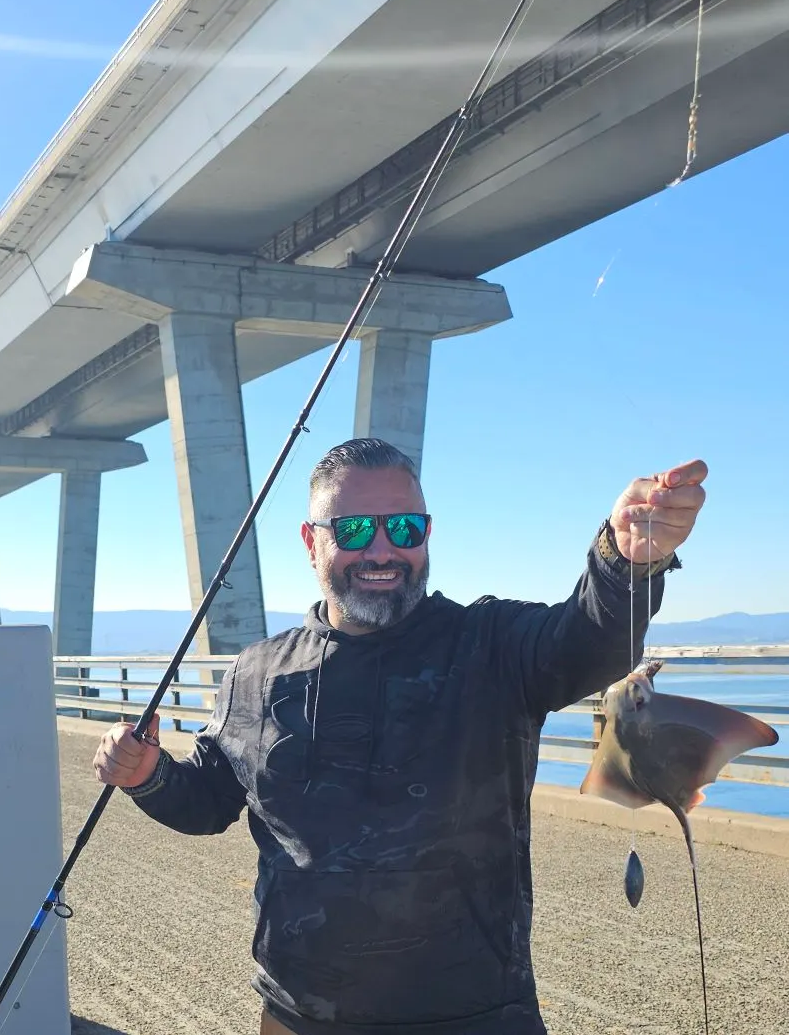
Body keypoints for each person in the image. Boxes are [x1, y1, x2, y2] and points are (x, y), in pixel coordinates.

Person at [93, 438, 707, 1035]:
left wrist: (626, 560)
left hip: (475, 1013)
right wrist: (147, 774)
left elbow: (586, 641)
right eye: (355, 530)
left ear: (427, 534)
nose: (382, 550)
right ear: (312, 541)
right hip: (299, 1012)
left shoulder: (490, 644)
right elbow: (208, 800)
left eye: (404, 529)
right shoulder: (256, 672)